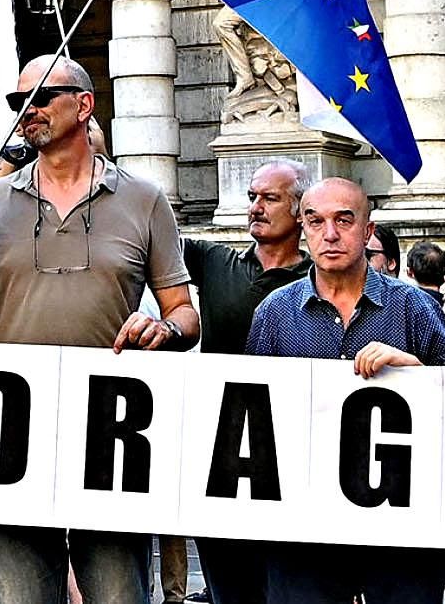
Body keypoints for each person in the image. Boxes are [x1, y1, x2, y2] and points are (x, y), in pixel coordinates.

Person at [0, 57, 195, 604]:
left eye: (42, 96)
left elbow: (185, 312)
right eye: (17, 101)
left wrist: (162, 328)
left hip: (112, 430)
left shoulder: (144, 198)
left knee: (119, 594)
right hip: (18, 429)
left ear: (84, 104)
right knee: (25, 597)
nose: (27, 110)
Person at [242, 177, 445, 604]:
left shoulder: (414, 307)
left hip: (401, 528)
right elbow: (254, 418)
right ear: (303, 229)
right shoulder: (274, 313)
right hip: (303, 531)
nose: (330, 234)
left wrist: (415, 371)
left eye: (344, 220)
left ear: (367, 229)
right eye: (315, 221)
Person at [181, 159, 311, 604]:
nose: (256, 206)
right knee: (229, 588)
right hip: (221, 459)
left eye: (270, 198)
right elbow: (145, 234)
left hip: (290, 462)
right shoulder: (213, 261)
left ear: (299, 211)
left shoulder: (318, 280)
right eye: (252, 197)